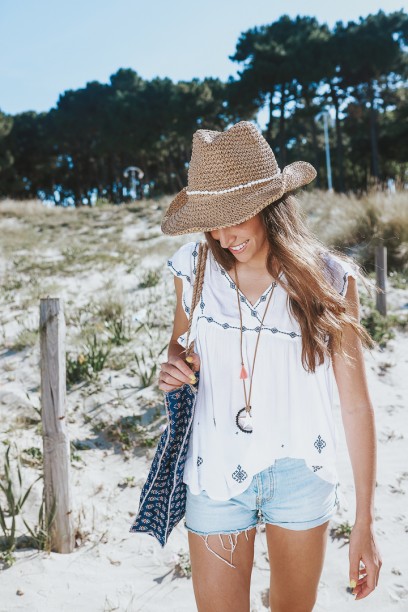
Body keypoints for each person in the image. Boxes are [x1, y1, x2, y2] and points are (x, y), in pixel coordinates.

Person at [158, 121, 382, 611]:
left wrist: (364, 520)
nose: (222, 233)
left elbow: (357, 406)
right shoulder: (193, 269)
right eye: (211, 220)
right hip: (214, 470)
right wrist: (172, 365)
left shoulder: (328, 279)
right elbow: (177, 347)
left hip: (301, 472)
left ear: (269, 205)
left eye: (233, 215)